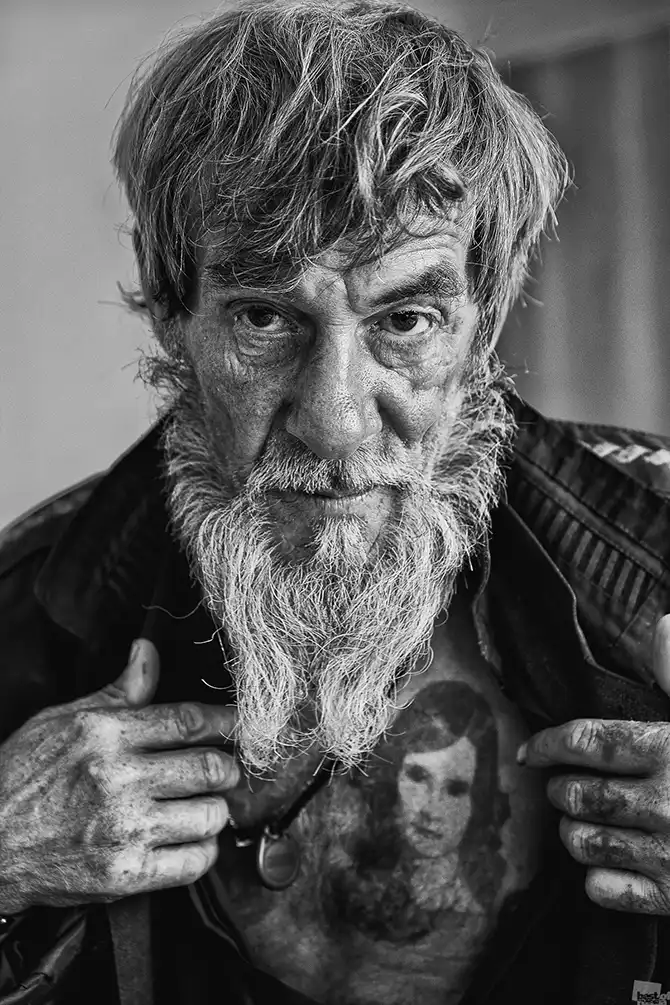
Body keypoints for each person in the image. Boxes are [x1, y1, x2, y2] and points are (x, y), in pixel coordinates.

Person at [0, 1, 669, 1002]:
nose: (338, 423)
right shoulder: (20, 607)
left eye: (407, 319)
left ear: (486, 314)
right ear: (170, 301)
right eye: (265, 318)